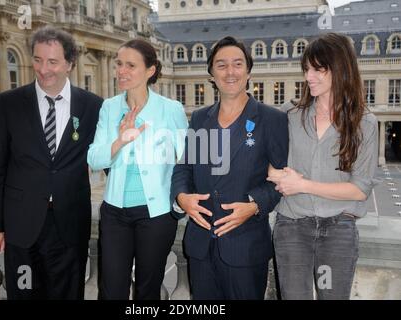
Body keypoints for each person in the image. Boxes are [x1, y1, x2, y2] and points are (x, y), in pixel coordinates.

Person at [0, 26, 103, 300]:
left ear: (70, 64)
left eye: (52, 62)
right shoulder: (9, 103)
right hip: (21, 227)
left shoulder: (93, 106)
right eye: (37, 59)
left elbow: (106, 159)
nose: (43, 69)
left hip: (69, 226)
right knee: (23, 293)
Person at [170, 36, 288, 300]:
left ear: (248, 71)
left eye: (237, 64)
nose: (230, 72)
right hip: (200, 246)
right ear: (211, 74)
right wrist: (182, 197)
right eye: (221, 65)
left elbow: (282, 180)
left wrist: (255, 205)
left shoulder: (272, 120)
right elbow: (184, 168)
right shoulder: (200, 118)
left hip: (245, 247)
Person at [267, 32, 379, 300]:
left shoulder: (364, 123)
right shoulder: (289, 115)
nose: (309, 77)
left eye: (318, 69)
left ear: (341, 69)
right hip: (292, 228)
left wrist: (302, 185)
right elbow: (264, 162)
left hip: (337, 231)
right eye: (307, 69)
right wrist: (276, 175)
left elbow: (359, 189)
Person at [87, 39, 188, 300]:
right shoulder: (109, 108)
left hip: (156, 215)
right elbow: (95, 159)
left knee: (148, 289)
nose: (122, 71)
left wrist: (178, 203)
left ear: (150, 70)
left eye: (131, 65)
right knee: (112, 290)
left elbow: (188, 162)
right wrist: (119, 140)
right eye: (119, 64)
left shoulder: (171, 110)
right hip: (115, 214)